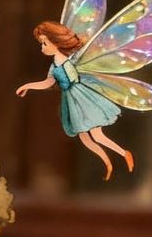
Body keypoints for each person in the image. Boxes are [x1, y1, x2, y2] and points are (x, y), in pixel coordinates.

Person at [15, 20, 134, 179]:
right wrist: (27, 86)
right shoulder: (55, 66)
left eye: (45, 43)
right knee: (84, 137)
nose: (42, 47)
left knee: (97, 135)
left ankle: (124, 153)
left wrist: (65, 79)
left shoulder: (67, 62)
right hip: (70, 100)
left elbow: (71, 78)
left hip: (82, 97)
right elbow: (47, 83)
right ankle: (107, 162)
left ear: (56, 43)